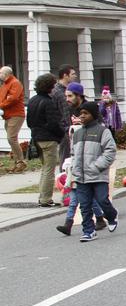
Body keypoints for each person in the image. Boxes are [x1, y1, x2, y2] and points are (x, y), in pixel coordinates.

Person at [71, 101, 119, 241]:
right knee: (85, 206)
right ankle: (88, 231)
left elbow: (110, 152)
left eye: (86, 113)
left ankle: (111, 216)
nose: (82, 116)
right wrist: (74, 167)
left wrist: (97, 166)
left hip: (97, 175)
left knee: (102, 200)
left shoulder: (102, 131)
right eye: (81, 114)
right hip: (81, 176)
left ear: (94, 115)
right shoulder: (77, 133)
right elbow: (73, 153)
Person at [26, 73, 67, 207]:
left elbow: (29, 122)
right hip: (49, 139)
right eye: (53, 85)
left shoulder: (32, 100)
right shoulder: (48, 102)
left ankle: (42, 196)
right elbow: (53, 123)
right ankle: (46, 199)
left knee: (45, 169)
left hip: (36, 138)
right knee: (49, 169)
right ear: (49, 86)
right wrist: (62, 134)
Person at [0, 66, 27, 172]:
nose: (0, 75)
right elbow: (4, 98)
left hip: (16, 115)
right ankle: (16, 163)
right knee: (12, 139)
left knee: (11, 138)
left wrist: (1, 105)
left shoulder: (15, 83)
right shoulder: (5, 85)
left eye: (1, 73)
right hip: (8, 115)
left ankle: (21, 161)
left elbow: (13, 98)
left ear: (7, 74)